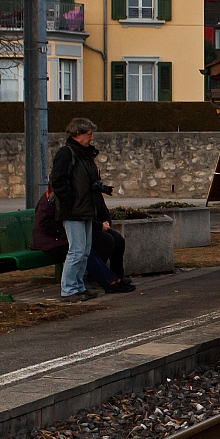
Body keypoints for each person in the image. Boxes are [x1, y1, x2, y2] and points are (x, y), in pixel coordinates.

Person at [49, 117, 113, 302]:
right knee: (76, 250)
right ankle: (69, 289)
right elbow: (58, 181)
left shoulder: (83, 155)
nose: (91, 138)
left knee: (84, 250)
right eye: (88, 134)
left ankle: (77, 286)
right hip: (74, 210)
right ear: (77, 135)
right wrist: (71, 202)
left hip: (83, 208)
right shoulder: (67, 153)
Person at [30, 189, 134, 294]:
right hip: (53, 240)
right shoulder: (55, 197)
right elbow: (51, 225)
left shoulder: (81, 193)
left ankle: (114, 277)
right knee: (83, 248)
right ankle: (106, 281)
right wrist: (98, 226)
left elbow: (96, 212)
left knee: (113, 239)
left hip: (64, 235)